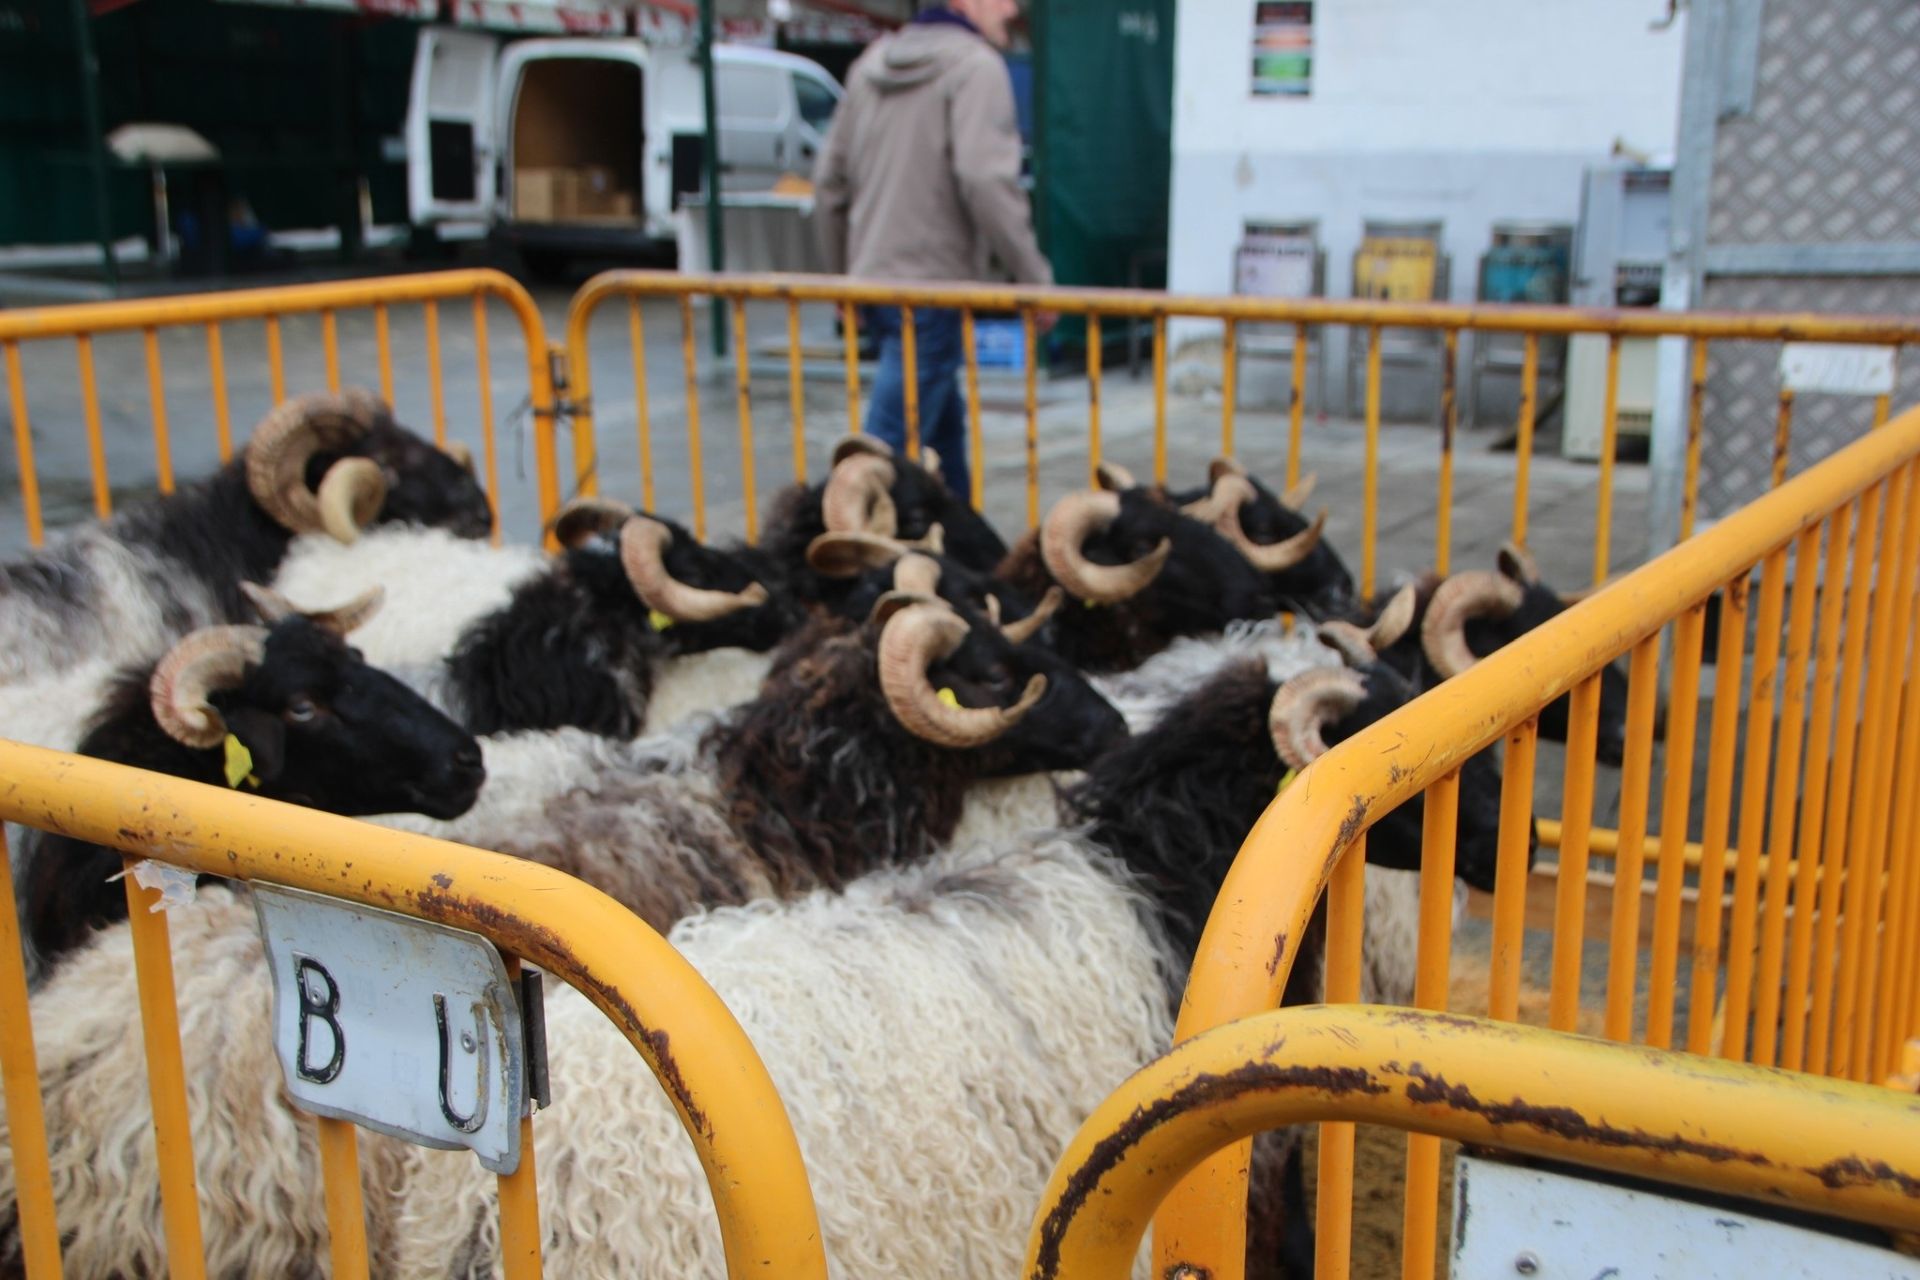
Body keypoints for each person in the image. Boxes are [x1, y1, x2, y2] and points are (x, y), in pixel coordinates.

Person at [813, 0, 1053, 501]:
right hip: (934, 288)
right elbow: (986, 179)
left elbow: (828, 183)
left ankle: (968, 551)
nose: (1016, 8)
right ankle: (833, 564)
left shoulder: (869, 65)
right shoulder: (975, 67)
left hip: (875, 281)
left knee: (942, 432)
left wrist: (842, 280)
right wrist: (1034, 281)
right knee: (874, 460)